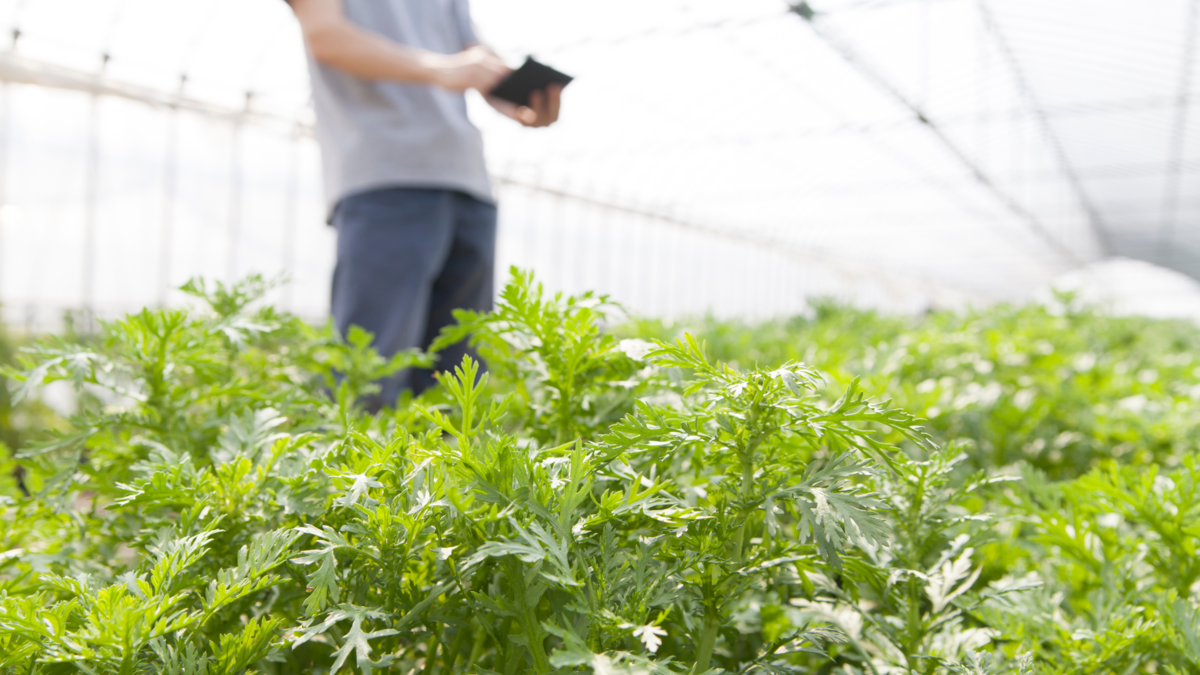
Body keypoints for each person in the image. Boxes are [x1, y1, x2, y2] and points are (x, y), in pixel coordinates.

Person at [284, 0, 563, 408]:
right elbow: (327, 36)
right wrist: (443, 68)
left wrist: (511, 92)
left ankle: (446, 475)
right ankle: (355, 473)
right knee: (369, 374)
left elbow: (472, 53)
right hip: (385, 174)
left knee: (456, 384)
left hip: (467, 179)